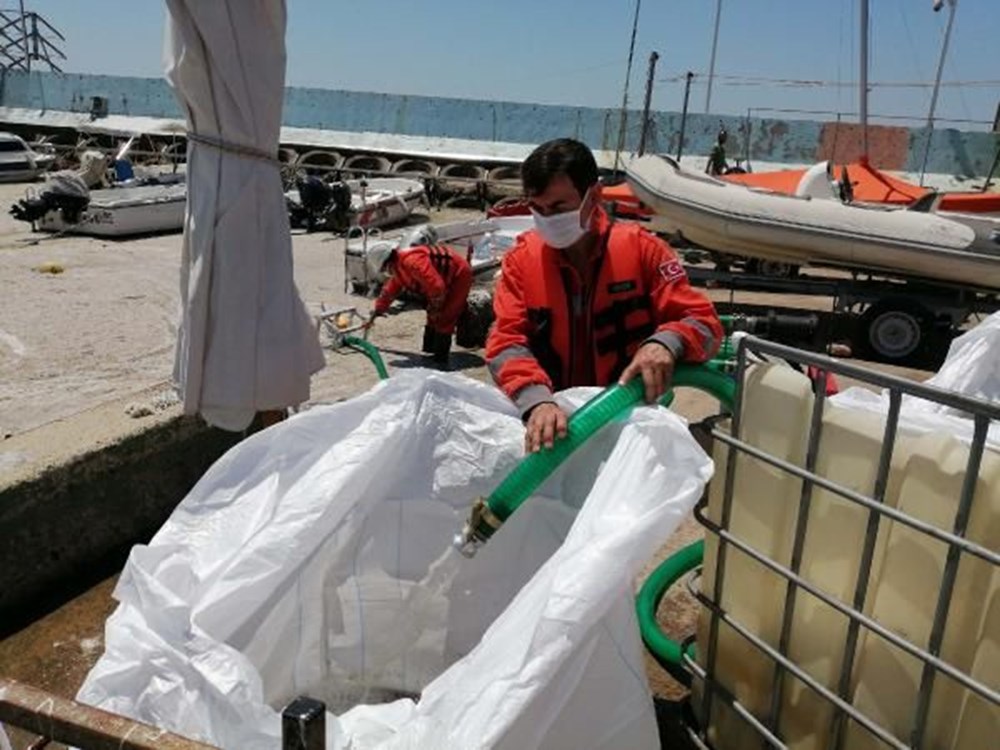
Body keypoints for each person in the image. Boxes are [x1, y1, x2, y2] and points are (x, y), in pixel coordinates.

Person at [486, 138, 723, 453]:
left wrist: (664, 343)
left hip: (633, 424)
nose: (548, 218)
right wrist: (537, 401)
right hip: (553, 426)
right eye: (537, 208)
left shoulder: (644, 251)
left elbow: (704, 322)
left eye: (558, 207)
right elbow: (506, 342)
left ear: (594, 195)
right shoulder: (520, 261)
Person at [367, 228, 473, 366]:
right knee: (432, 317)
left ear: (387, 262)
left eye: (384, 269)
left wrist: (436, 307)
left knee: (445, 317)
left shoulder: (412, 261)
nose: (386, 272)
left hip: (459, 275)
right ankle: (428, 351)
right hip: (442, 280)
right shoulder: (399, 267)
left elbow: (436, 287)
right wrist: (378, 310)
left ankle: (440, 361)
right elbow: (390, 290)